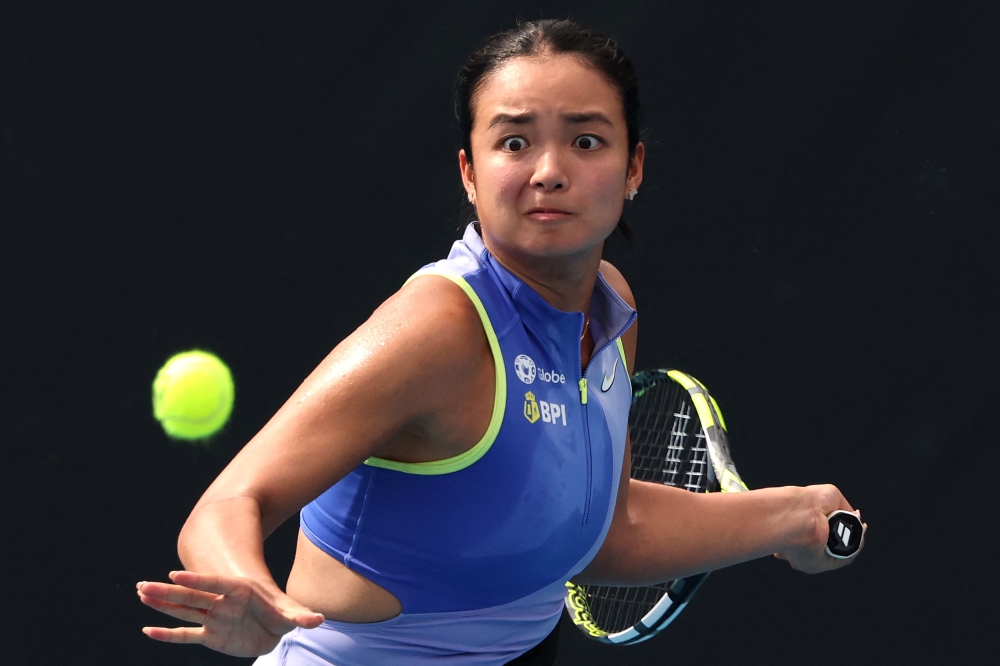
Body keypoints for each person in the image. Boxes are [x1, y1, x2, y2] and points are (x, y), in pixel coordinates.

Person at [137, 19, 863, 666]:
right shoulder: (438, 330)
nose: (550, 171)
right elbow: (232, 499)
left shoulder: (611, 311)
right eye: (514, 141)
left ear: (633, 167)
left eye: (586, 140)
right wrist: (246, 588)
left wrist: (793, 516)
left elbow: (609, 534)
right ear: (470, 172)